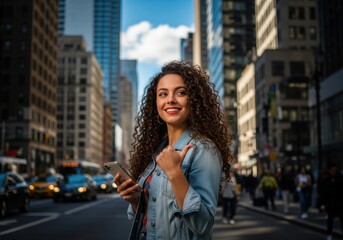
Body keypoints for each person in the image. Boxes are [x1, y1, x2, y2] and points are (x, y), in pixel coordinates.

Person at [114, 61, 232, 240]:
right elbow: (155, 217)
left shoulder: (204, 150)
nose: (170, 99)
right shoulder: (156, 152)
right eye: (163, 94)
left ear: (194, 100)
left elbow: (203, 224)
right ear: (156, 103)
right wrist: (136, 199)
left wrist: (175, 174)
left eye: (181, 93)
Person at [317, 163, 343, 240]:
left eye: (335, 169)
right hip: (330, 202)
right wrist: (322, 204)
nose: (334, 171)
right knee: (330, 219)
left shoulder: (340, 177)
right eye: (332, 170)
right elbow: (322, 192)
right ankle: (329, 234)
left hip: (340, 202)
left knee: (342, 218)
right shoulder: (325, 178)